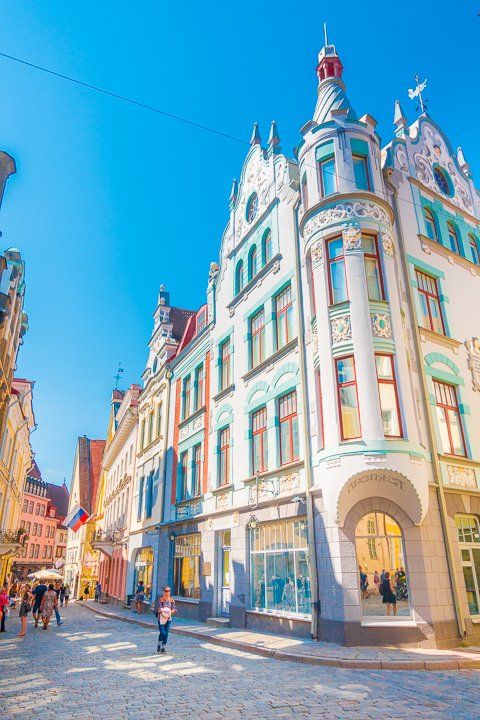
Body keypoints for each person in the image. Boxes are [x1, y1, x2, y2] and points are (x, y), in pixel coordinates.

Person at [156, 586, 175, 654]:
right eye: (166, 591)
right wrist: (162, 611)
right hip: (161, 619)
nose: (167, 592)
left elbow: (173, 609)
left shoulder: (172, 600)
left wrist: (171, 611)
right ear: (164, 592)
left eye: (169, 591)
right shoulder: (161, 600)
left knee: (166, 634)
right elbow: (159, 609)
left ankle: (163, 647)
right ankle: (159, 644)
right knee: (162, 632)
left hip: (168, 619)